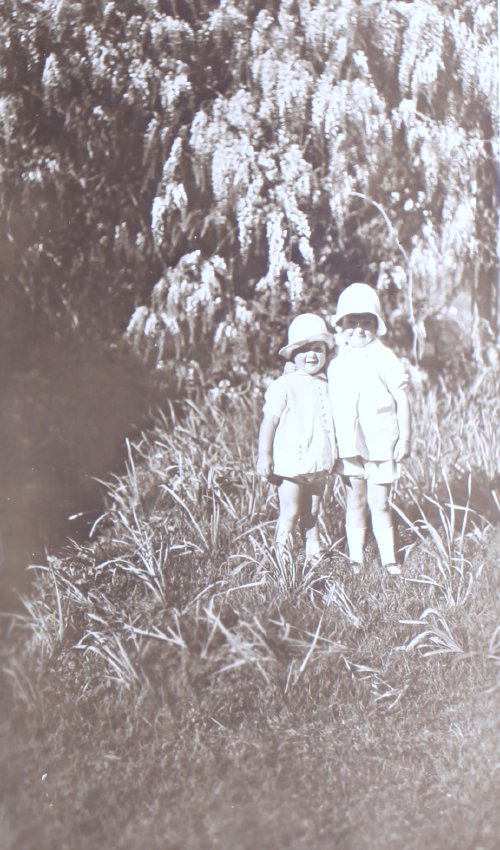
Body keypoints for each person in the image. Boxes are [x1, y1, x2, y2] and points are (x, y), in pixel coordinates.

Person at [327, 283, 411, 575]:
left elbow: (401, 397)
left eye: (366, 322)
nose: (359, 330)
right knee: (356, 500)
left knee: (380, 502)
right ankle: (356, 559)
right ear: (340, 325)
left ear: (376, 324)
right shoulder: (336, 364)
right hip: (350, 445)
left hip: (380, 443)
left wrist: (405, 438)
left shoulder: (384, 357)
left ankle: (389, 559)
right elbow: (333, 406)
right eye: (352, 322)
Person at [256, 313, 337, 562]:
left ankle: (312, 548)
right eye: (303, 349)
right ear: (292, 355)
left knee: (313, 508)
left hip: (318, 460)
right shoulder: (285, 385)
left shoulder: (328, 384)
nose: (311, 355)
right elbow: (270, 420)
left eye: (317, 349)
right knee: (290, 510)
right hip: (291, 462)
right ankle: (282, 554)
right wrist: (265, 455)